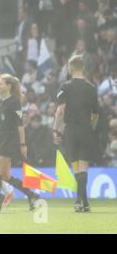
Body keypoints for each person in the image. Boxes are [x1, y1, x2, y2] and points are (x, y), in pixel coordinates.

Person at [53, 55, 99, 213]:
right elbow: (96, 114)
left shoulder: (65, 86)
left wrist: (56, 129)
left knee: (76, 167)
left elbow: (60, 111)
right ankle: (83, 202)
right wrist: (90, 127)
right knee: (84, 167)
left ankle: (80, 201)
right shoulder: (92, 87)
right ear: (83, 68)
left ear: (70, 68)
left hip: (71, 129)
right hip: (86, 128)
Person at [0, 74, 40, 212]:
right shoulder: (0, 102)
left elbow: (20, 124)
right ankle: (32, 195)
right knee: (5, 175)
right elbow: (0, 121)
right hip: (1, 139)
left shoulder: (14, 102)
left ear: (9, 86)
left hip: (10, 140)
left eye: (1, 83)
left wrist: (23, 144)